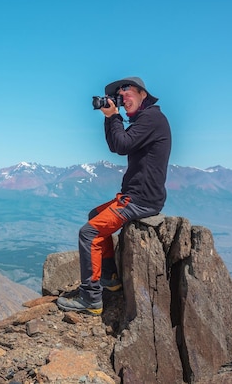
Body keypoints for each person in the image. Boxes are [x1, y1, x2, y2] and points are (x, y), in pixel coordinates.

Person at [57, 76, 172, 316]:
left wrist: (114, 117)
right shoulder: (146, 119)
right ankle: (109, 278)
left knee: (88, 233)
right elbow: (116, 145)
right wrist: (111, 119)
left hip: (140, 200)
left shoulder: (152, 118)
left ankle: (90, 299)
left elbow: (121, 145)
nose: (122, 95)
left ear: (143, 93)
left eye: (126, 90)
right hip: (137, 196)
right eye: (119, 93)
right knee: (95, 215)